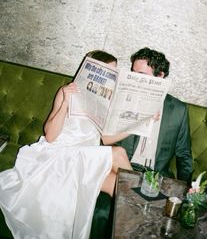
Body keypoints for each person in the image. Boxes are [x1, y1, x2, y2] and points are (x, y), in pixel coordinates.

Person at [0, 50, 132, 239]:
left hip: (86, 159)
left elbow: (107, 139)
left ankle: (137, 228)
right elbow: (51, 135)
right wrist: (65, 104)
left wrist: (141, 125)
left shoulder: (107, 102)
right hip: (60, 155)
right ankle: (148, 213)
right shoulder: (67, 91)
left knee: (118, 187)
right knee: (118, 153)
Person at [91, 47, 192, 238]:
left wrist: (187, 190)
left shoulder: (178, 110)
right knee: (102, 212)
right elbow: (104, 141)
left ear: (160, 76)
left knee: (164, 223)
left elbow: (184, 154)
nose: (135, 79)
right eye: (133, 74)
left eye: (141, 75)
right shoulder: (122, 102)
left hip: (159, 177)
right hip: (121, 170)